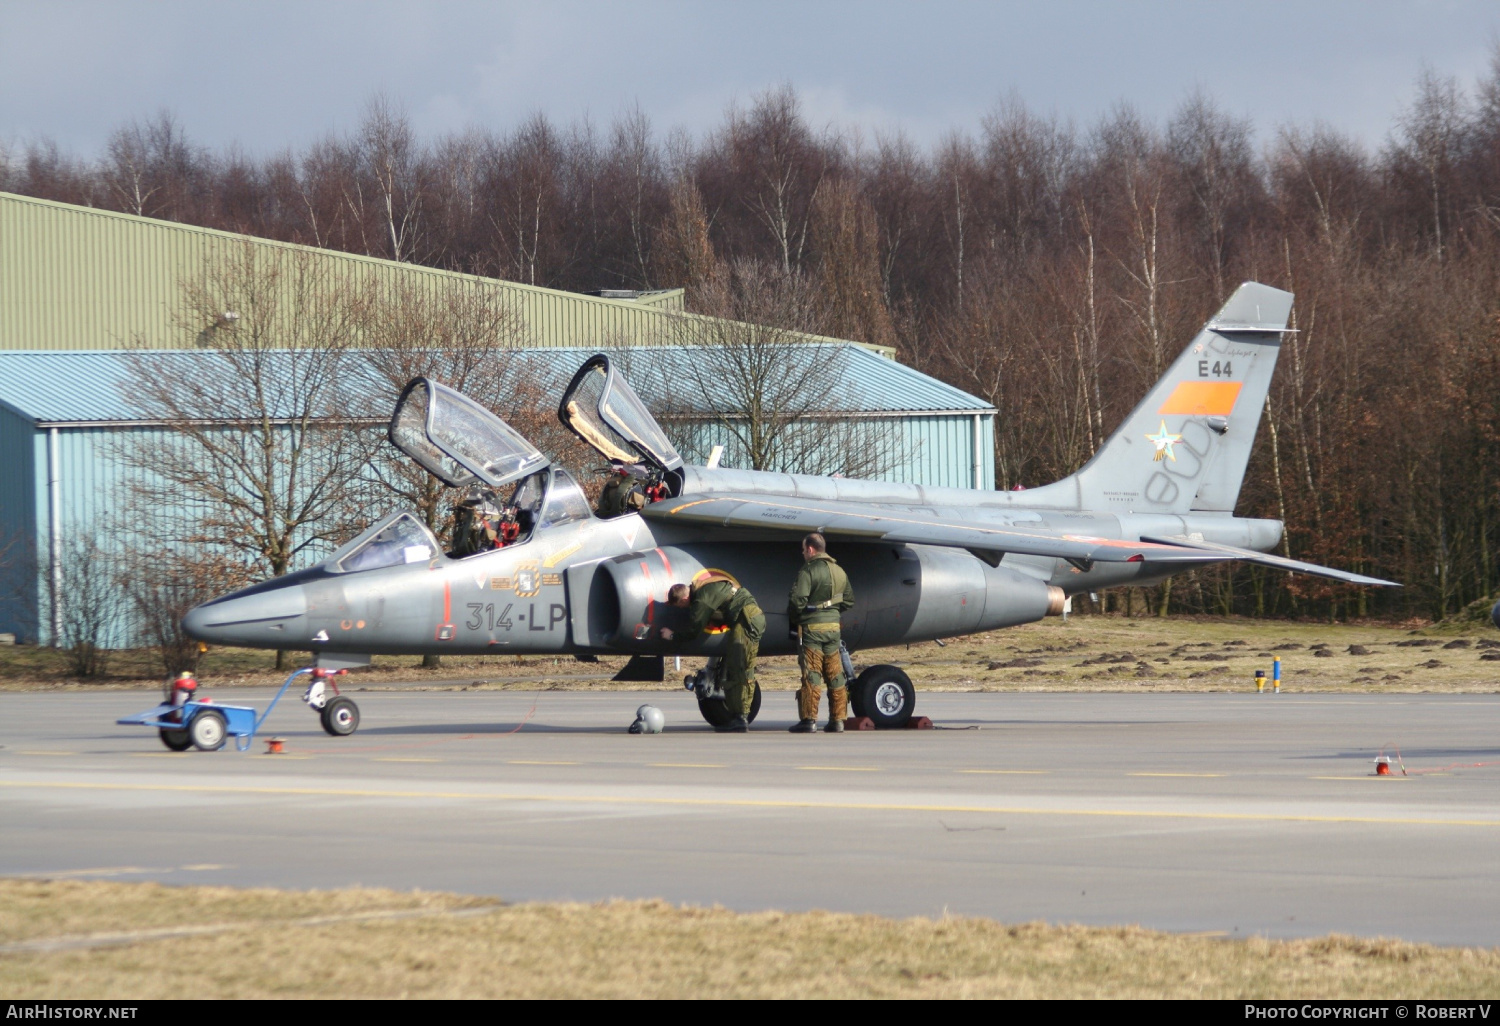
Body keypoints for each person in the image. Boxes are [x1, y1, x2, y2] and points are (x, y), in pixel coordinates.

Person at [661, 571, 765, 733]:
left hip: (746, 619)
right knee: (736, 667)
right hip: (746, 617)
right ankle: (739, 717)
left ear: (684, 599)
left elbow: (694, 630)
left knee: (739, 669)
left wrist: (672, 635)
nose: (683, 609)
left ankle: (741, 718)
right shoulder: (704, 589)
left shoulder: (702, 599)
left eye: (680, 606)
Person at [786, 532, 855, 733]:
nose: (803, 553)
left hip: (812, 630)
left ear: (810, 549)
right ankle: (838, 720)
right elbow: (849, 600)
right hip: (834, 630)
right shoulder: (839, 571)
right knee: (835, 675)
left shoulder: (808, 571)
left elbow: (796, 601)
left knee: (812, 673)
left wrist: (799, 616)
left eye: (803, 549)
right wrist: (831, 613)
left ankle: (809, 720)